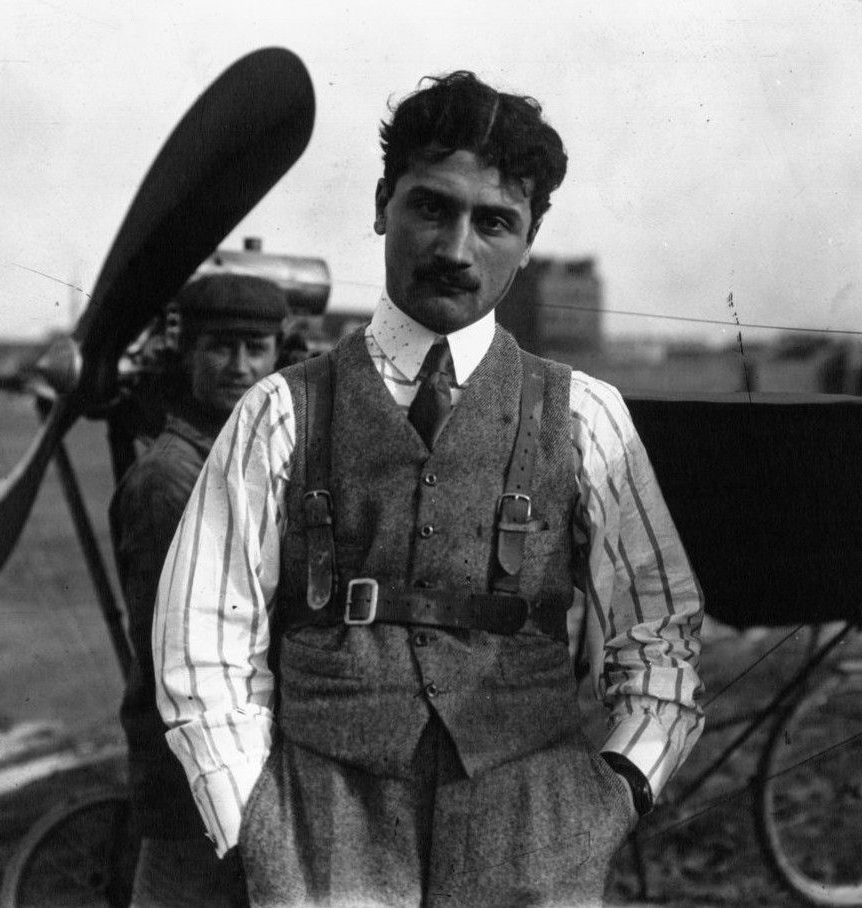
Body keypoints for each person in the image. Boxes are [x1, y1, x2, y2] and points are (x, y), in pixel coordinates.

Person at [153, 71, 705, 907]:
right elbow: (202, 637)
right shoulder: (280, 412)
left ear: (528, 238)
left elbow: (658, 632)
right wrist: (253, 820)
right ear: (382, 204)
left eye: (493, 222)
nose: (454, 250)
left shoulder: (586, 415)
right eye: (429, 208)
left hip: (532, 825)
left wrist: (613, 792)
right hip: (323, 828)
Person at [109, 273, 287, 908]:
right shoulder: (170, 481)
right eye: (220, 347)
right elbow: (182, 657)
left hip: (241, 762)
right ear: (187, 353)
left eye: (256, 348)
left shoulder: (241, 460)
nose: (239, 367)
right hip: (195, 772)